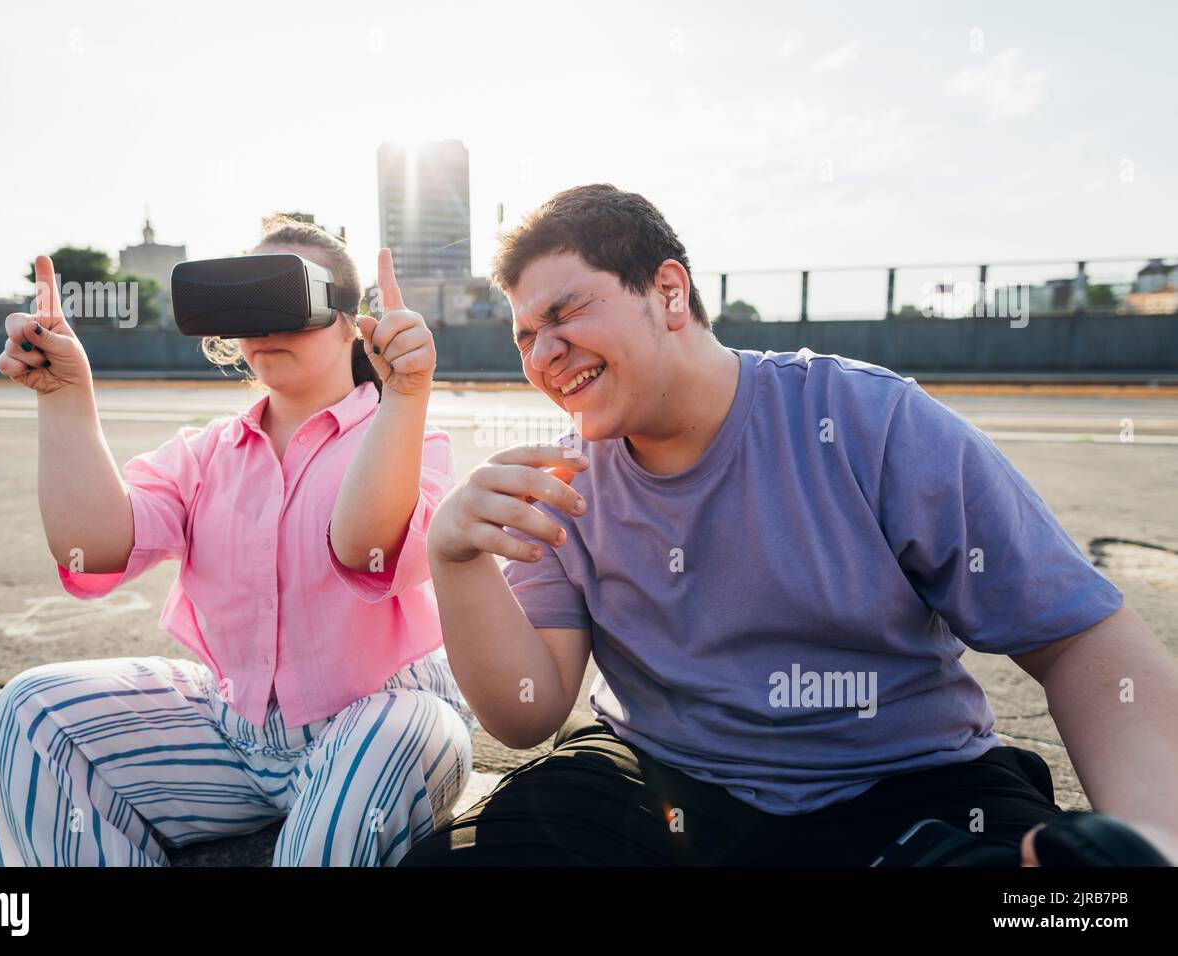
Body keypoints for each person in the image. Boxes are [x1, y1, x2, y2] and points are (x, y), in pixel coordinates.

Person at [401, 185, 1178, 866]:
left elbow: (1078, 636)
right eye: (525, 337)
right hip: (661, 777)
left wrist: (1151, 837)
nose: (543, 353)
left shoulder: (869, 421)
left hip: (903, 781)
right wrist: (455, 557)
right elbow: (527, 712)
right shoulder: (559, 482)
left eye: (564, 313)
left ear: (669, 291)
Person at [0, 216, 476, 867]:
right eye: (245, 301)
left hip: (383, 722)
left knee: (401, 730)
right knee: (30, 713)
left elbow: (365, 549)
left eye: (285, 300)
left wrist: (405, 395)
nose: (263, 324)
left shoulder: (408, 439)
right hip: (232, 729)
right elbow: (91, 549)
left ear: (349, 319)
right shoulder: (204, 453)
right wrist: (66, 396)